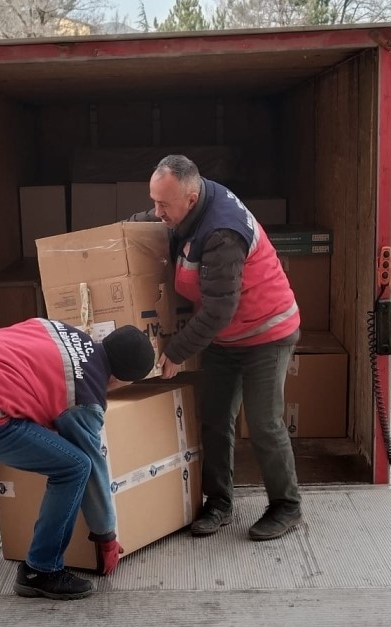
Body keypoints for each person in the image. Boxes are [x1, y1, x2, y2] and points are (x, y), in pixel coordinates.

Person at [0, 318, 155, 600]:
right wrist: (105, 536)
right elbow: (93, 467)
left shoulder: (59, 329)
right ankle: (42, 570)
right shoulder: (85, 396)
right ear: (121, 379)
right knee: (75, 467)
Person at [130, 154, 303, 541]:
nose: (157, 212)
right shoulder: (187, 208)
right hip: (225, 336)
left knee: (263, 422)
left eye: (164, 205)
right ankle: (219, 503)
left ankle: (286, 506)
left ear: (190, 200)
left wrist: (175, 351)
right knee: (214, 418)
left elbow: (220, 308)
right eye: (154, 201)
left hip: (266, 333)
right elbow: (152, 220)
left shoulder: (222, 232)